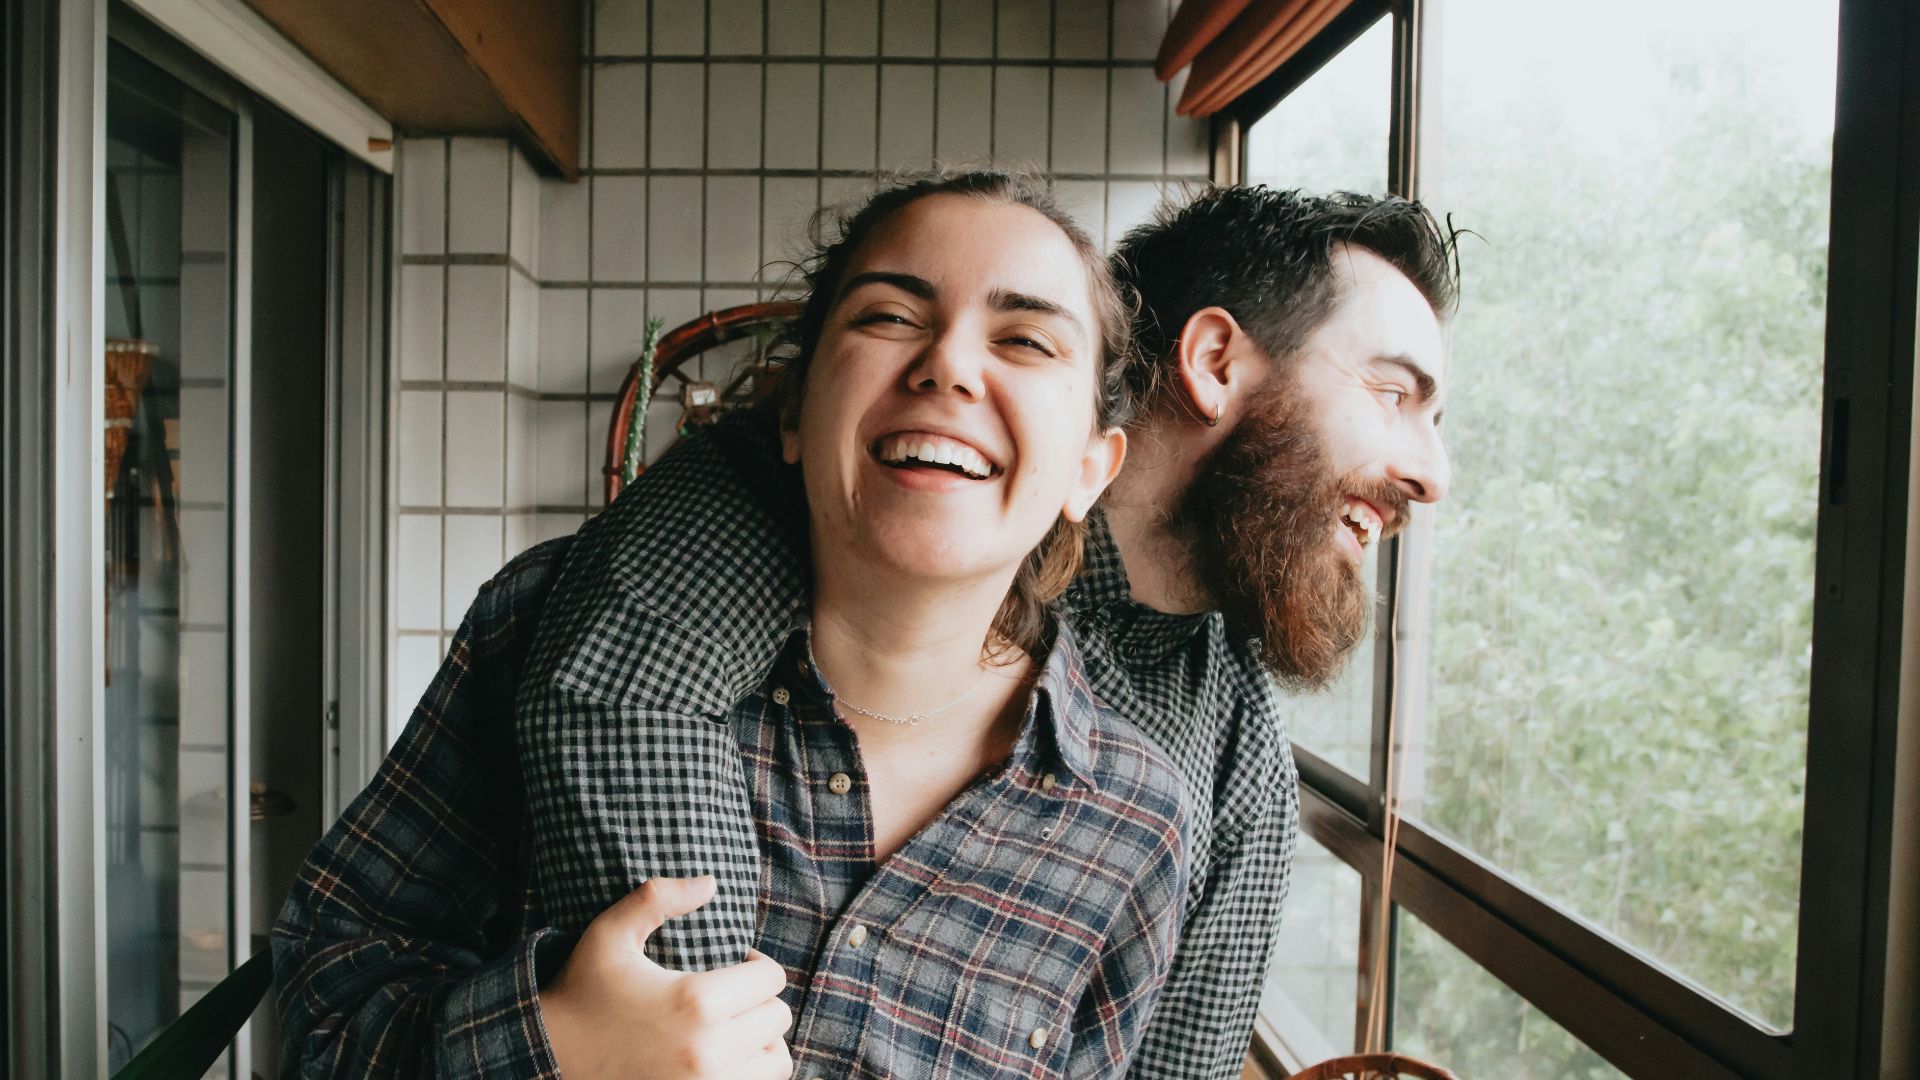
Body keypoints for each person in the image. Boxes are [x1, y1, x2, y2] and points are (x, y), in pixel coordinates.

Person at [488, 183, 1461, 1078]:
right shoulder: (739, 529)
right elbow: (617, 697)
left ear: (1093, 459)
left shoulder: (1230, 764)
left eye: (1026, 341)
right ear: (1213, 363)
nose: (1433, 474)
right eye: (1393, 394)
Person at [273, 171, 1191, 1078]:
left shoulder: (1133, 824)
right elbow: (322, 1010)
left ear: (1091, 468)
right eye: (888, 316)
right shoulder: (539, 625)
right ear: (793, 411)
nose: (948, 364)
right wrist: (551, 1048)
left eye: (1026, 339)